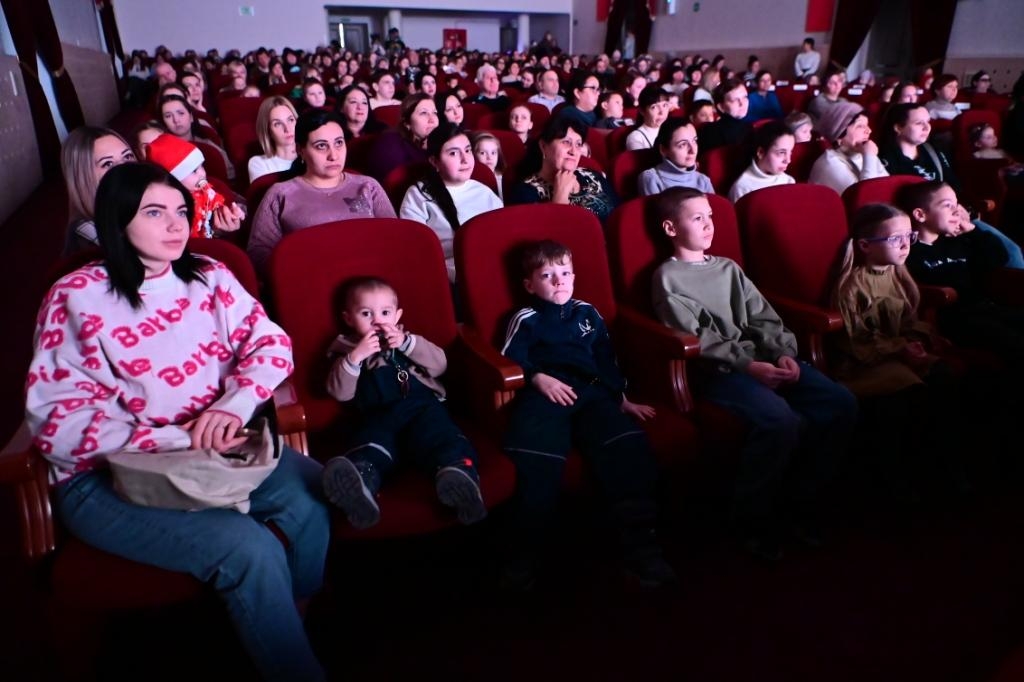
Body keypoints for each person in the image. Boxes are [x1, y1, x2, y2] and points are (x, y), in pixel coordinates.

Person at [26, 162, 330, 681]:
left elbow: (271, 344)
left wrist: (234, 404)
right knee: (249, 548)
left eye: (181, 211)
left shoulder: (209, 276)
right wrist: (177, 436)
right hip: (105, 477)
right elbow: (58, 424)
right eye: (154, 212)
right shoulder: (76, 296)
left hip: (216, 450)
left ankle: (285, 624)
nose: (176, 225)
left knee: (314, 495)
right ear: (118, 219)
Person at [651, 187, 856, 559]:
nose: (709, 225)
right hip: (721, 371)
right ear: (670, 228)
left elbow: (763, 316)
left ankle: (801, 501)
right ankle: (750, 519)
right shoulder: (668, 277)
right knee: (780, 421)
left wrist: (784, 353)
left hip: (766, 359)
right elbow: (698, 338)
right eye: (697, 218)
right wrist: (748, 365)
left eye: (710, 216)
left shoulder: (728, 267)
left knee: (840, 402)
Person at [499, 240, 675, 590]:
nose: (559, 281)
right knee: (536, 455)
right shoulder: (525, 318)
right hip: (545, 391)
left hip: (592, 392)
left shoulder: (587, 313)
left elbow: (605, 359)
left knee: (626, 444)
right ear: (529, 285)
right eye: (547, 276)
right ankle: (525, 553)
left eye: (565, 273)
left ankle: (641, 549)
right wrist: (537, 377)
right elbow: (509, 357)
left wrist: (620, 398)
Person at [321, 277, 487, 529]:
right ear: (349, 318)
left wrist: (407, 344)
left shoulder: (408, 341)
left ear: (397, 315)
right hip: (378, 413)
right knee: (371, 442)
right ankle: (361, 482)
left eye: (385, 313)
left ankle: (459, 474)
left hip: (422, 407)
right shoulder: (346, 350)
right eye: (366, 314)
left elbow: (440, 365)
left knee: (440, 435)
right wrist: (356, 357)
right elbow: (340, 393)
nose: (377, 321)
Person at [830, 203, 970, 500]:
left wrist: (918, 340)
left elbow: (908, 320)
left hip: (898, 352)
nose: (906, 245)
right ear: (865, 246)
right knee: (909, 389)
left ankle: (944, 465)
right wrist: (900, 349)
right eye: (896, 239)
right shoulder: (852, 287)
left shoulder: (898, 273)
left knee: (943, 375)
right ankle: (897, 477)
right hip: (863, 363)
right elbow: (857, 343)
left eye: (909, 236)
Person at [248, 110, 395, 275]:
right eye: (321, 146)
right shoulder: (280, 194)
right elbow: (259, 255)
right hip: (310, 280)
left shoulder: (368, 186)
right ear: (300, 150)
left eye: (339, 143)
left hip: (370, 277)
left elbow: (394, 239)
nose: (333, 155)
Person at [879, 103, 1024, 267]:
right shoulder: (885, 159)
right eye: (919, 123)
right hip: (921, 225)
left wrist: (960, 209)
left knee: (1012, 253)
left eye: (928, 122)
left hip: (952, 216)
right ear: (898, 127)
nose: (927, 127)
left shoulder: (933, 151)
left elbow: (954, 186)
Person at [896, 180, 1024, 358]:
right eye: (947, 205)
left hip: (985, 307)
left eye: (956, 204)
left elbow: (999, 259)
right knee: (1013, 342)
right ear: (920, 214)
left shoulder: (958, 241)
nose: (957, 211)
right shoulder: (909, 251)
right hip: (953, 318)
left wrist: (972, 230)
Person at [400, 123, 503, 281]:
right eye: (454, 153)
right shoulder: (418, 195)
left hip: (490, 270)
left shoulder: (485, 192)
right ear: (434, 161)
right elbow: (414, 250)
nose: (465, 159)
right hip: (444, 277)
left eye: (468, 150)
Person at [507, 117, 618, 223]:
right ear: (543, 146)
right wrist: (559, 199)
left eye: (578, 144)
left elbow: (620, 217)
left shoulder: (593, 176)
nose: (573, 151)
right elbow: (545, 234)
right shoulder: (524, 193)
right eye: (566, 142)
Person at [147, 134, 244, 238]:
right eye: (194, 171)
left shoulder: (205, 191)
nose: (202, 173)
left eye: (202, 166)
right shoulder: (169, 208)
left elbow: (217, 210)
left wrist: (231, 214)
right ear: (174, 180)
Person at [808, 102, 888, 194]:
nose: (869, 131)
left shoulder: (863, 153)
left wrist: (870, 156)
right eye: (860, 126)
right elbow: (866, 196)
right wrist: (870, 157)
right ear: (838, 136)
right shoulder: (829, 163)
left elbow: (887, 188)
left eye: (867, 125)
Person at [366, 93, 440, 181]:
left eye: (434, 113)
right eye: (424, 113)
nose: (432, 120)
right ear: (407, 123)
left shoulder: (440, 142)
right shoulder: (389, 145)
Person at [638, 118, 714, 196]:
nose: (693, 151)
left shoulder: (703, 180)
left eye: (694, 141)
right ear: (663, 150)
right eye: (683, 144)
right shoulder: (652, 178)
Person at [728, 121, 796, 202]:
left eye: (790, 152)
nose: (788, 160)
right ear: (761, 152)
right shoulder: (742, 188)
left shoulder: (789, 181)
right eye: (781, 153)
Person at [248, 96, 299, 183]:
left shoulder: (310, 156)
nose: (287, 129)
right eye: (277, 124)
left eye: (290, 120)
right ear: (268, 131)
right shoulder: (259, 163)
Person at [698, 78, 752, 153]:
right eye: (735, 100)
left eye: (745, 97)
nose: (742, 104)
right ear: (721, 107)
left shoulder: (748, 127)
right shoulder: (710, 134)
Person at [625, 85, 671, 151]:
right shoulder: (636, 138)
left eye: (665, 105)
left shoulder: (673, 130)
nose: (661, 112)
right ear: (642, 111)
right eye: (654, 107)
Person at [472, 131, 507, 200]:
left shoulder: (504, 178)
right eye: (483, 153)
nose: (489, 157)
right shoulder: (473, 182)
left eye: (493, 153)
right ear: (474, 155)